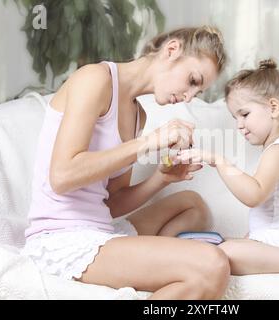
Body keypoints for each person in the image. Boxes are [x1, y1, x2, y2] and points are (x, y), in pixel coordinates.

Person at [20, 26, 231, 300]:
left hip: (99, 228)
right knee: (213, 265)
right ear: (171, 50)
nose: (189, 96)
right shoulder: (95, 79)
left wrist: (162, 178)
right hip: (62, 237)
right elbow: (62, 176)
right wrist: (147, 143)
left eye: (198, 91)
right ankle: (171, 267)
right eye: (192, 80)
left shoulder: (137, 115)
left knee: (193, 205)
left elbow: (112, 202)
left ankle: (156, 266)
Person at [176, 59, 279, 294]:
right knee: (208, 244)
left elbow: (254, 195)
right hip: (277, 242)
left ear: (273, 108)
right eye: (235, 118)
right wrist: (251, 238)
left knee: (222, 252)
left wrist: (219, 161)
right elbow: (268, 211)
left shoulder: (278, 151)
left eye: (244, 114)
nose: (239, 125)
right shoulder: (277, 149)